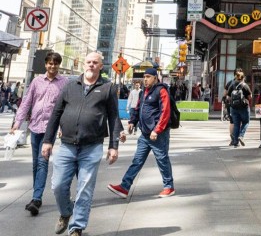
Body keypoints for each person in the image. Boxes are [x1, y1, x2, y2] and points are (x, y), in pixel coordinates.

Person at [42, 51, 121, 236]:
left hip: (92, 147)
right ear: (83, 64)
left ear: (101, 66)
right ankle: (66, 212)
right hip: (67, 145)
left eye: (95, 62)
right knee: (58, 185)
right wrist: (48, 141)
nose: (91, 65)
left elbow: (114, 117)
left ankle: (76, 227)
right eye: (88, 62)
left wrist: (113, 146)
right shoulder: (70, 86)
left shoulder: (108, 88)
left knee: (84, 189)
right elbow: (56, 114)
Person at [11, 51, 67, 216]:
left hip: (50, 128)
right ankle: (37, 195)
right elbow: (26, 102)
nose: (52, 66)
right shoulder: (37, 81)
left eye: (55, 63)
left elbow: (66, 106)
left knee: (42, 162)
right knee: (36, 163)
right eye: (50, 63)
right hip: (35, 126)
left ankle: (36, 198)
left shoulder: (64, 83)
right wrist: (17, 123)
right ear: (45, 64)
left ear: (59, 65)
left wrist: (63, 128)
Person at [107, 67, 175, 200]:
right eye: (144, 77)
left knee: (162, 160)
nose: (145, 79)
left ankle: (169, 187)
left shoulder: (161, 90)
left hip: (158, 135)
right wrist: (132, 121)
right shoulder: (143, 92)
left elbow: (165, 112)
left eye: (148, 77)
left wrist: (157, 129)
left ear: (155, 78)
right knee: (137, 161)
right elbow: (138, 108)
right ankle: (124, 187)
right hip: (145, 134)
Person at [225, 68, 251, 147]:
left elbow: (228, 97)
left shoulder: (232, 85)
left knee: (236, 124)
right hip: (243, 107)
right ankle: (241, 136)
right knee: (246, 122)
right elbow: (250, 96)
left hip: (233, 108)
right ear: (243, 78)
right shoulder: (245, 85)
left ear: (236, 77)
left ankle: (235, 142)